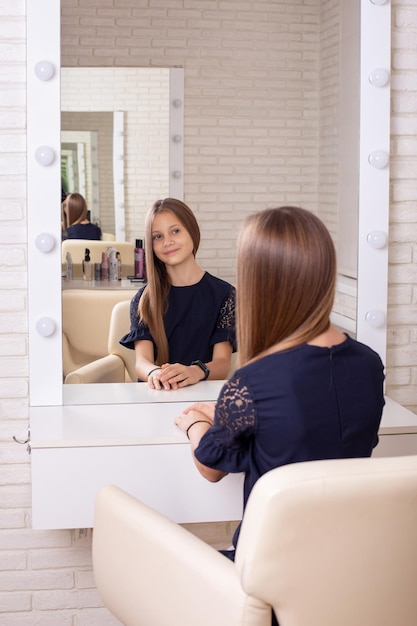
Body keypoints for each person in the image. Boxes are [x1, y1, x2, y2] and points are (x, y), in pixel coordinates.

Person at [174, 206, 385, 571]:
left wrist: (195, 421)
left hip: (272, 569)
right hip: (348, 564)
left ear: (260, 285)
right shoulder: (369, 363)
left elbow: (210, 466)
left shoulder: (253, 382)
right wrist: (230, 412)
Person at [119, 198, 236, 389]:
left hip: (199, 397)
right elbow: (142, 362)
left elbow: (222, 363)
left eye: (175, 231)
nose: (168, 242)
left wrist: (194, 371)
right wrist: (156, 373)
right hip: (156, 394)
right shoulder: (143, 300)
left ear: (192, 230)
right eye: (157, 236)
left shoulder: (225, 295)